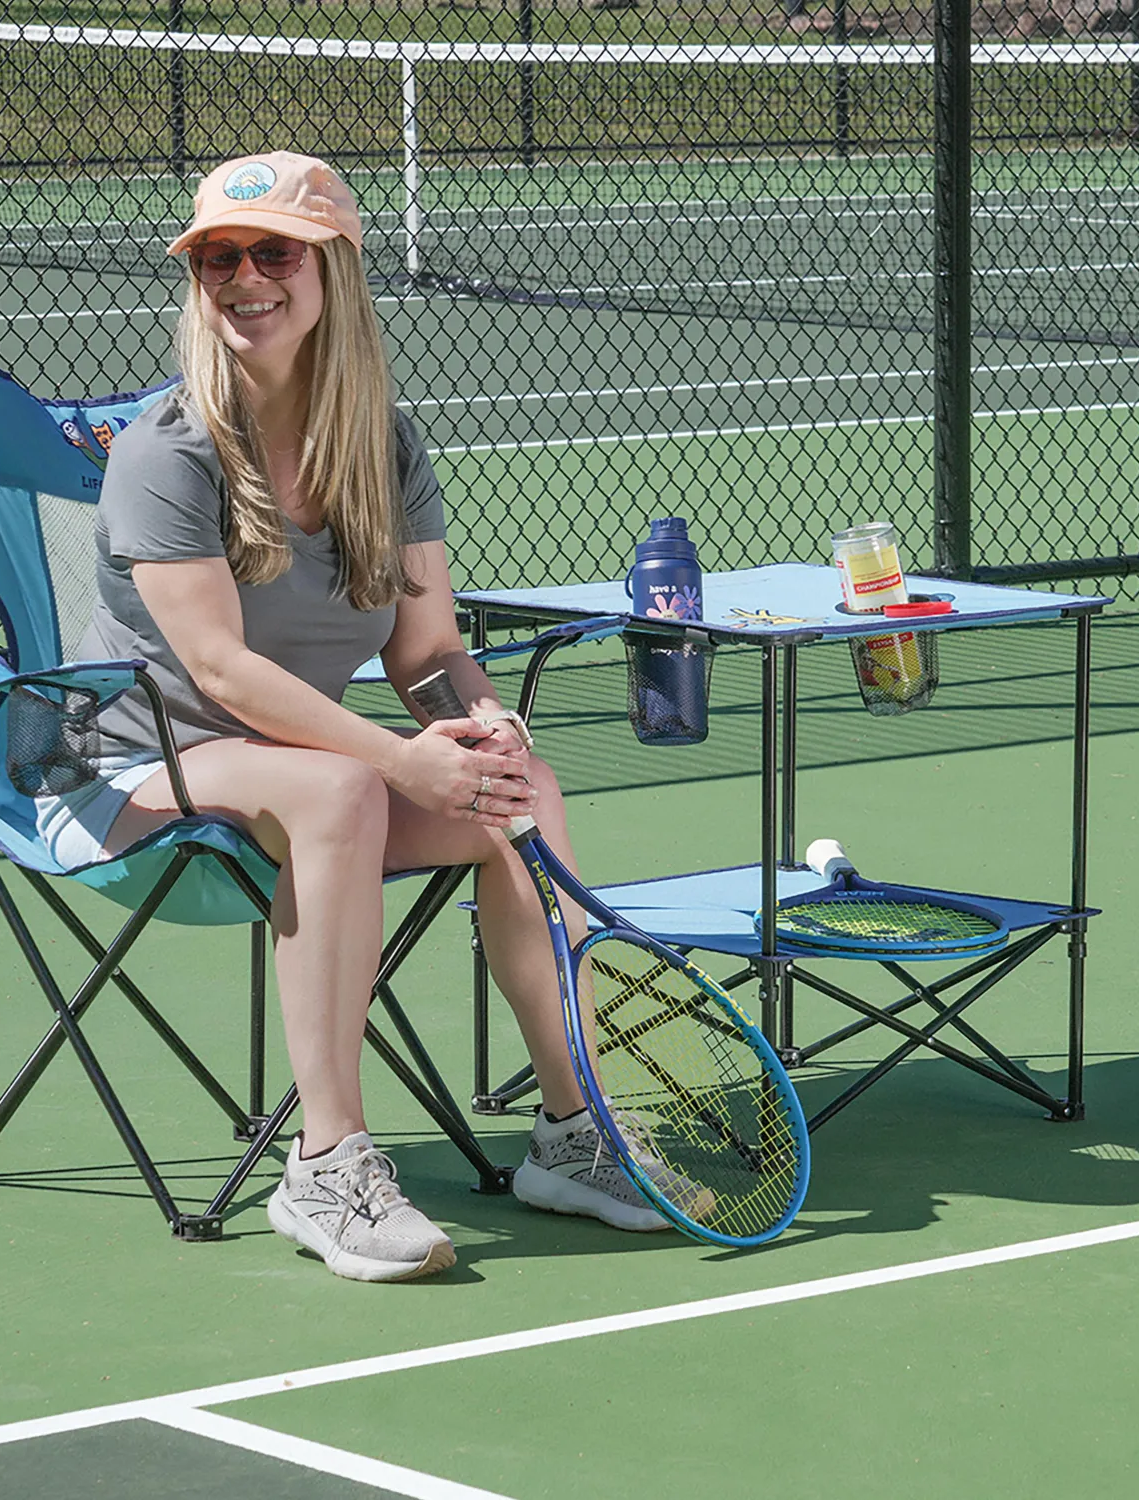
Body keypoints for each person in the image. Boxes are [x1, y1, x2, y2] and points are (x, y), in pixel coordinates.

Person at [36, 151, 674, 1282]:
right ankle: (324, 1165)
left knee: (516, 793)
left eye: (274, 253)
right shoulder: (165, 453)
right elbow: (222, 673)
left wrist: (480, 723)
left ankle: (572, 1134)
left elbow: (426, 652)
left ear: (333, 272)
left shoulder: (383, 445)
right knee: (337, 791)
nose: (244, 278)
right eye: (218, 258)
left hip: (284, 771)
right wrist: (398, 759)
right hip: (117, 774)